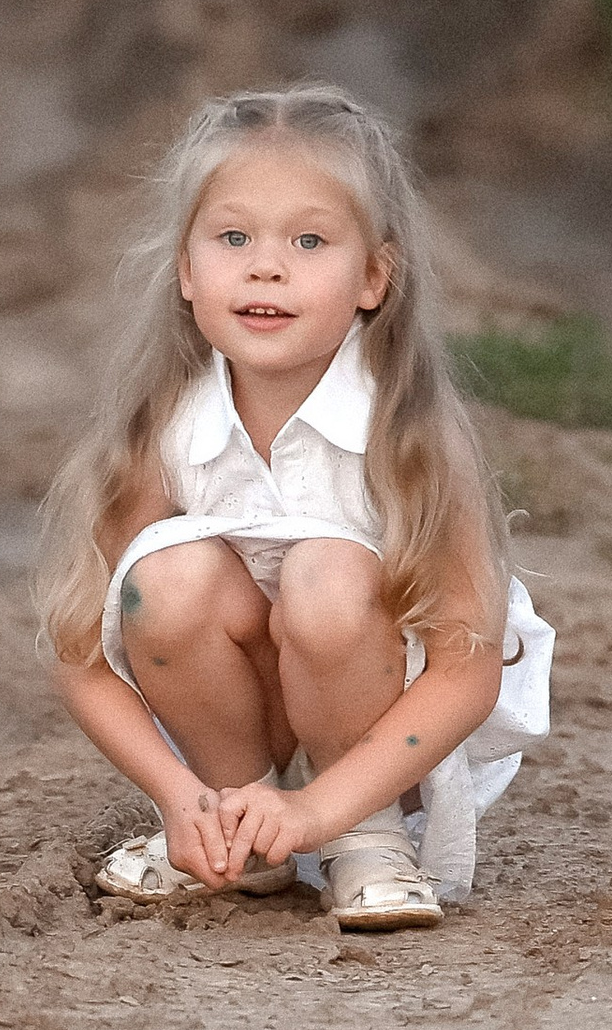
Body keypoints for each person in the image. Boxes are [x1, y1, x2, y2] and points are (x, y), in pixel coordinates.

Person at [34, 84, 554, 932]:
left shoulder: (407, 432)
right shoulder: (165, 427)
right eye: (233, 237)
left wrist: (324, 810)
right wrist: (180, 797)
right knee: (160, 581)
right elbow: (79, 650)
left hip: (394, 737)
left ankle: (367, 840)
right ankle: (240, 828)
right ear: (186, 271)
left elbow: (466, 670)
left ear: (373, 276)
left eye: (309, 240)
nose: (265, 265)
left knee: (327, 569)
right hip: (245, 728)